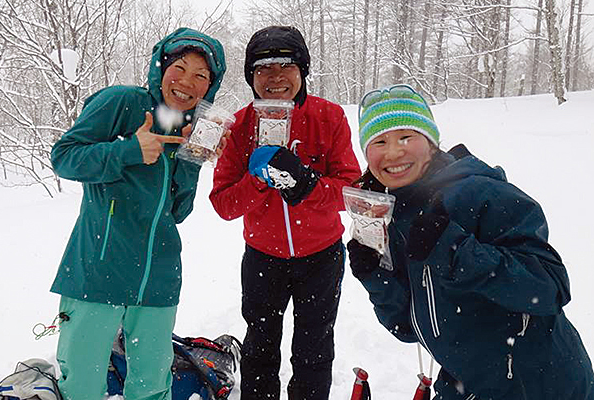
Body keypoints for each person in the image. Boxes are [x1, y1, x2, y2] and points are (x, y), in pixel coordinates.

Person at [347, 84, 594, 399]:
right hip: (468, 384)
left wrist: (455, 252)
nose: (394, 152)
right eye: (379, 141)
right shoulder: (391, 218)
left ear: (432, 143)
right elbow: (410, 328)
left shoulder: (480, 193)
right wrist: (376, 276)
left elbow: (550, 287)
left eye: (406, 137)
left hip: (539, 384)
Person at [49, 28, 226, 400]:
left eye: (201, 76)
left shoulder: (189, 127)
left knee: (151, 389)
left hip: (159, 279)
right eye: (180, 67)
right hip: (98, 272)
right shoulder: (122, 103)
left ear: (209, 87)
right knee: (81, 387)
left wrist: (194, 161)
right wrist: (128, 151)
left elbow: (176, 212)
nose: (187, 82)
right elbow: (64, 157)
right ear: (161, 67)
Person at [209, 26, 361, 400]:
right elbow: (224, 204)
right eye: (263, 68)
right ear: (251, 77)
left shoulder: (330, 117)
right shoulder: (239, 125)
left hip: (321, 257)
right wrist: (261, 179)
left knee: (314, 348)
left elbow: (352, 191)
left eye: (286, 65)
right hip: (263, 258)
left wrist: (306, 185)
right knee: (259, 347)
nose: (275, 77)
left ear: (302, 70)